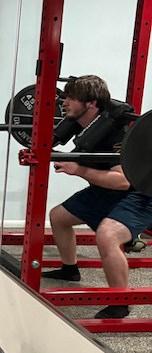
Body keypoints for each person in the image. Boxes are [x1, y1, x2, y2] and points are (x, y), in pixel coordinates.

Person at [44, 75, 152, 319]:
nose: (65, 102)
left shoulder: (116, 134)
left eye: (71, 98)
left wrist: (79, 170)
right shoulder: (85, 126)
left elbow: (123, 181)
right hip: (105, 191)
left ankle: (120, 302)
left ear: (91, 103)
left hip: (139, 195)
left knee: (107, 235)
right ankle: (70, 270)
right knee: (58, 217)